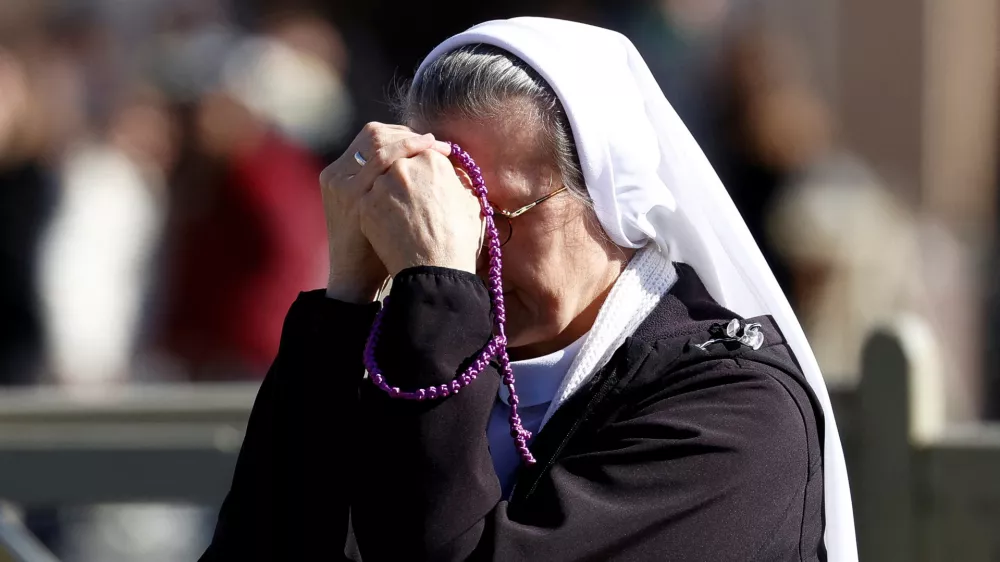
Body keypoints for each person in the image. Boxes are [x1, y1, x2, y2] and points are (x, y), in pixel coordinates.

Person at [200, 18, 857, 561]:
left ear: (610, 204)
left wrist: (437, 293)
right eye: (446, 206)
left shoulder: (734, 412)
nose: (465, 248)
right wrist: (346, 298)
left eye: (495, 213)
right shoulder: (404, 357)